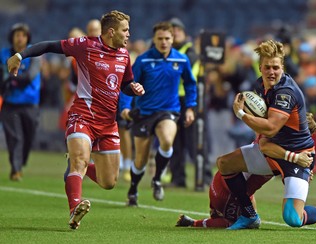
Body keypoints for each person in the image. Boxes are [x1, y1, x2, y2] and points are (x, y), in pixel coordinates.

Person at [7, 10, 145, 229]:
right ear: (111, 32)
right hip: (83, 116)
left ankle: (75, 164)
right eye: (125, 30)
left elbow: (124, 84)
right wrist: (21, 55)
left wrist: (133, 88)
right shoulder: (85, 45)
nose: (129, 34)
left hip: (108, 124)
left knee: (108, 182)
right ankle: (74, 208)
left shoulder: (124, 55)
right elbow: (49, 46)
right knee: (79, 161)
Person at [216, 40, 316, 230]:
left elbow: (271, 128)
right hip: (273, 151)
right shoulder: (260, 85)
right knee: (225, 164)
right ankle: (249, 215)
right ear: (260, 67)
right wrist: (262, 142)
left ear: (282, 67)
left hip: (299, 156)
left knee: (293, 218)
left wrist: (241, 114)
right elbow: (266, 129)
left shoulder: (286, 92)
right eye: (267, 67)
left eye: (276, 67)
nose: (271, 71)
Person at [176, 113, 316, 228]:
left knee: (292, 217)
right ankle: (249, 214)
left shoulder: (288, 150)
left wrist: (303, 175)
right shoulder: (275, 135)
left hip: (229, 191)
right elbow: (264, 143)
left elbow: (288, 178)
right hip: (230, 185)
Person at [124, 22, 197, 206]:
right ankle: (133, 190)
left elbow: (190, 84)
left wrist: (190, 107)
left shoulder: (181, 59)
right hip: (144, 113)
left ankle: (157, 179)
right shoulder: (143, 60)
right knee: (140, 159)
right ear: (154, 40)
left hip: (168, 110)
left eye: (167, 38)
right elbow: (128, 85)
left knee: (166, 140)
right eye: (160, 39)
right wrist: (124, 108)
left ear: (173, 39)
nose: (164, 42)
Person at [168, 17, 211, 188]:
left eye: (178, 30)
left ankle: (205, 176)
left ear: (184, 33)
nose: (175, 33)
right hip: (172, 100)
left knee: (196, 140)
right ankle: (178, 178)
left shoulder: (190, 53)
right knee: (174, 140)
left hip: (189, 99)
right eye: (172, 31)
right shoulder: (168, 52)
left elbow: (185, 76)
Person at [0, 23, 41, 181]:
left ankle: (20, 162)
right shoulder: (3, 54)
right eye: (17, 35)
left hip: (30, 103)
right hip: (10, 103)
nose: (20, 38)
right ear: (12, 37)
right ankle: (15, 169)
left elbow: (29, 76)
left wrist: (9, 77)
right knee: (15, 137)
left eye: (23, 35)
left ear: (27, 37)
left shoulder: (35, 53)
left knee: (29, 137)